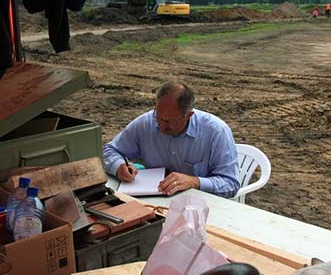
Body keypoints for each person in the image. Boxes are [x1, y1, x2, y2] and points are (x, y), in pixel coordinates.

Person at [103, 82, 240, 198]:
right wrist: (118, 166)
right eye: (159, 117)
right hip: (155, 202)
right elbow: (109, 150)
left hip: (199, 206)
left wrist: (195, 182)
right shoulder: (146, 123)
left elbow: (230, 184)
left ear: (189, 115)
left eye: (169, 122)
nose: (161, 126)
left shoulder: (216, 131)